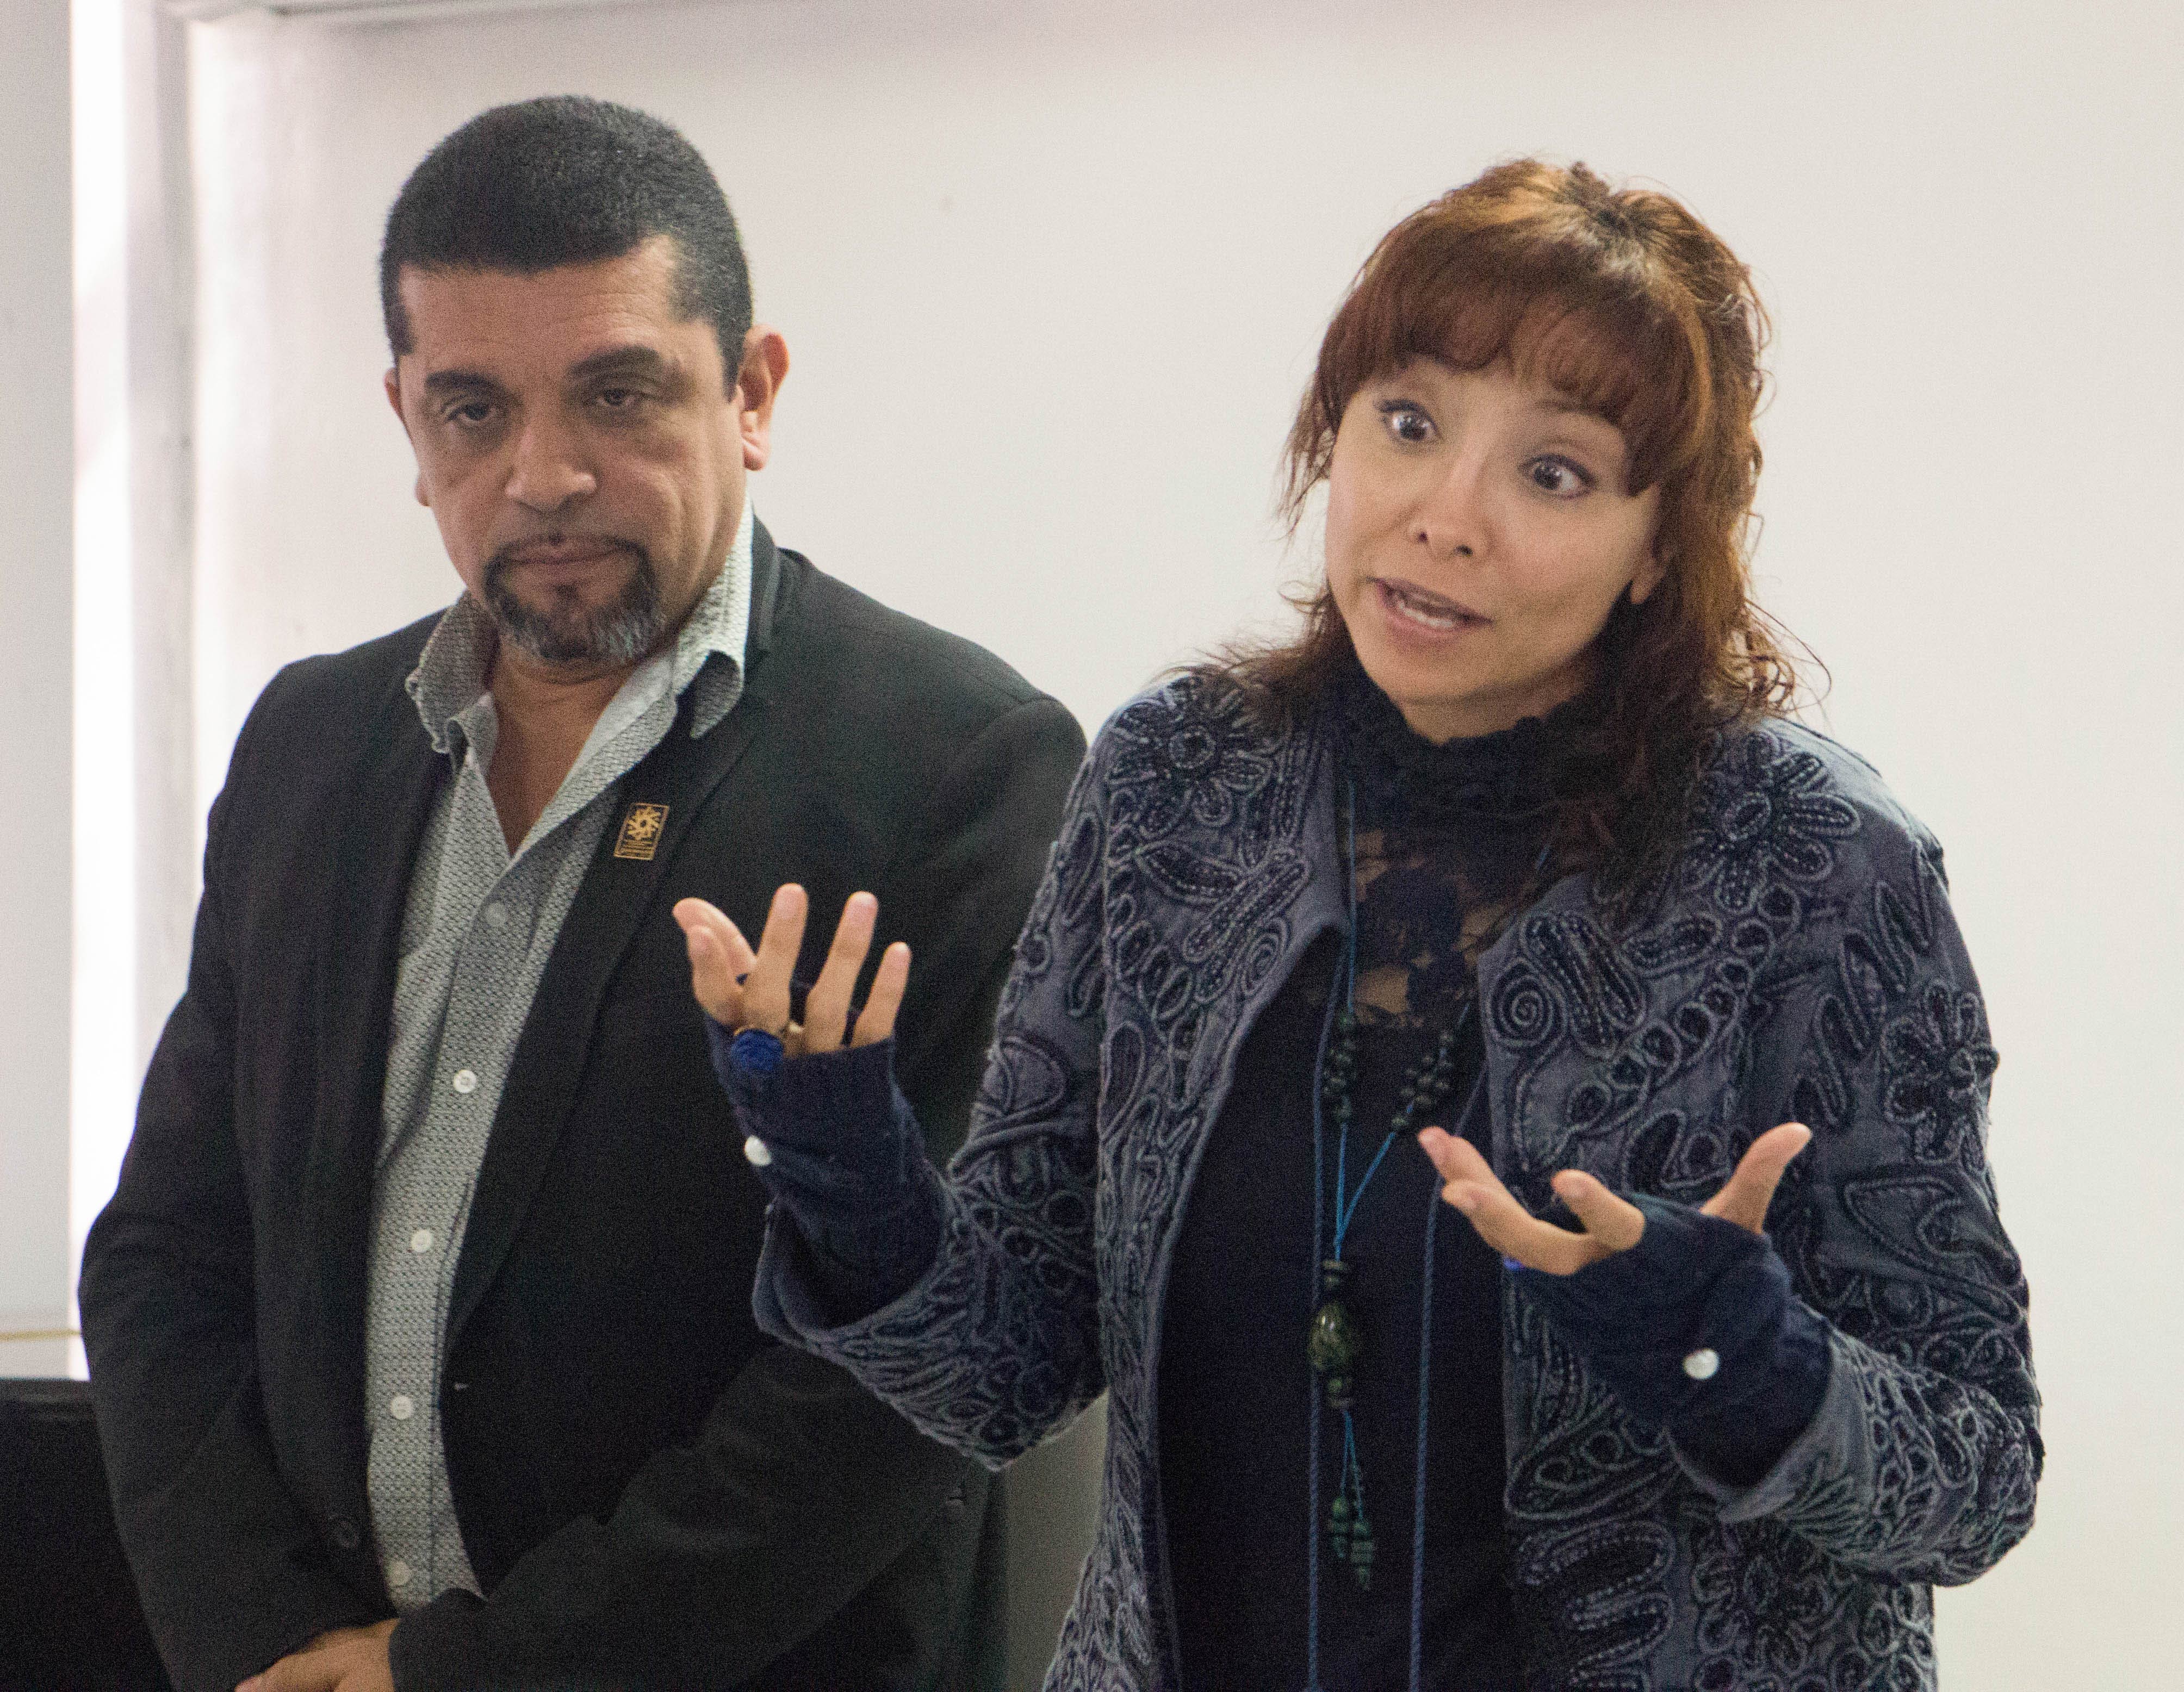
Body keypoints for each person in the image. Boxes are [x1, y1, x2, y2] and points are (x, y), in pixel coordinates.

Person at [678, 160, 2040, 1690]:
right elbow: (1011, 1373)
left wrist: (1736, 1352)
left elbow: (1979, 1474)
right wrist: (850, 1180)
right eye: (1408, 423)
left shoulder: (1814, 863)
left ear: (1662, 546)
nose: (1444, 517)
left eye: (1554, 474)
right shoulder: (1175, 786)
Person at [77, 97, 1084, 1692]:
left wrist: (463, 1675)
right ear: (408, 423)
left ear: (751, 392)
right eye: (473, 410)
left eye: (617, 394)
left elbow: (907, 1376)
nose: (541, 475)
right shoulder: (310, 746)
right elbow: (166, 1253)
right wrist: (270, 1646)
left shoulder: (959, 767)